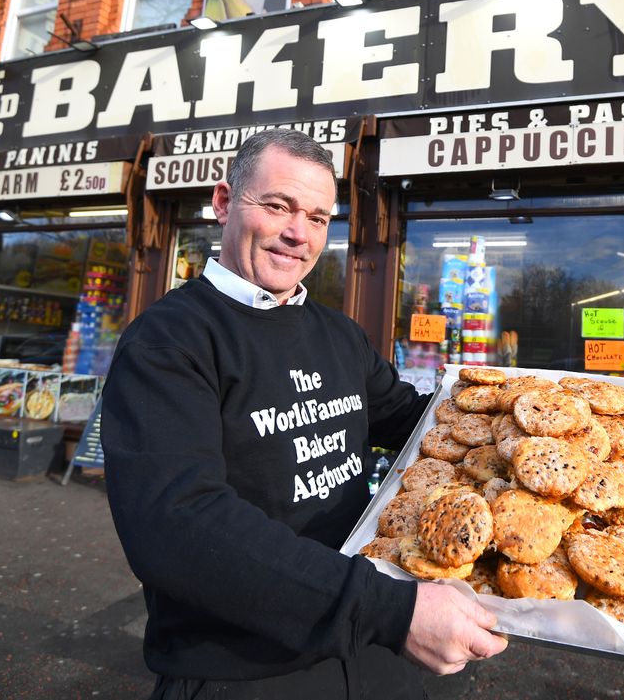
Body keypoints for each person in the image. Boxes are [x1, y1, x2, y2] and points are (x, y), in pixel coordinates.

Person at [101, 130, 507, 700]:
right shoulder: (169, 342)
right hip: (242, 666)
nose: (299, 233)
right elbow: (177, 524)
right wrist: (389, 610)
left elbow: (415, 424)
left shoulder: (338, 334)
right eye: (277, 206)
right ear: (223, 203)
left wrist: (521, 416)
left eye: (317, 218)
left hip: (369, 649)